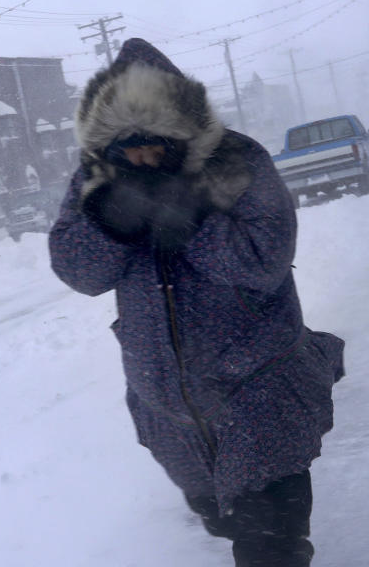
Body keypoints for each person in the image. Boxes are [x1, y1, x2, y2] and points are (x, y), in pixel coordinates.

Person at [49, 38, 345, 566]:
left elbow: (264, 261)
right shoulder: (94, 180)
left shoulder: (237, 161)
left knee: (270, 545)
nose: (141, 157)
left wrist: (191, 219)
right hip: (168, 404)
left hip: (258, 387)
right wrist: (110, 225)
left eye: (155, 144)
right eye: (127, 147)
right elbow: (78, 272)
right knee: (219, 519)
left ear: (182, 131)